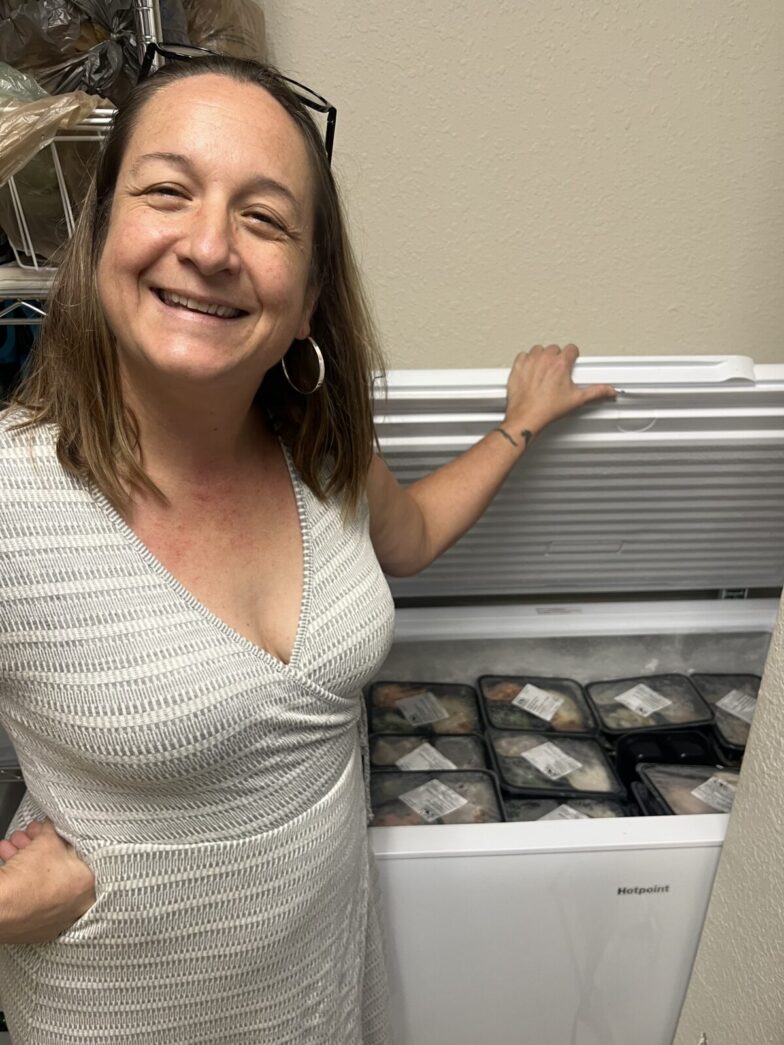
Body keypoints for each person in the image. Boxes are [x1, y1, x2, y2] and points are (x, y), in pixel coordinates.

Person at [0, 53, 615, 1044]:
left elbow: (405, 539)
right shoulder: (13, 499)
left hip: (319, 986)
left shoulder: (316, 441)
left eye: (264, 216)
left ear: (308, 286)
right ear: (99, 228)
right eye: (167, 190)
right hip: (115, 1010)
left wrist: (519, 425)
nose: (210, 245)